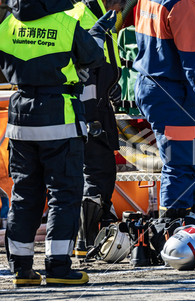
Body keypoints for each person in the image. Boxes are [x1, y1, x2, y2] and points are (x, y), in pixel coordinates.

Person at [0, 0, 115, 287]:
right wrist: (97, 35)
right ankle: (59, 266)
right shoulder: (65, 23)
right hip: (59, 118)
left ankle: (21, 269)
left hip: (20, 119)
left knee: (25, 194)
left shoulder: (7, 24)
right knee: (64, 194)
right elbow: (92, 58)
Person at [133, 0, 195, 219]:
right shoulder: (183, 5)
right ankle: (174, 228)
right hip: (173, 93)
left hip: (154, 86)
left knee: (188, 157)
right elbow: (193, 59)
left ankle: (188, 223)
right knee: (182, 161)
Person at [66, 0, 124, 258]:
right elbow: (84, 71)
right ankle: (85, 240)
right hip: (89, 108)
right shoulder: (87, 18)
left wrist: (112, 84)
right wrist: (91, 117)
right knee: (97, 173)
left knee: (98, 172)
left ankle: (87, 236)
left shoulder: (96, 16)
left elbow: (102, 67)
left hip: (96, 105)